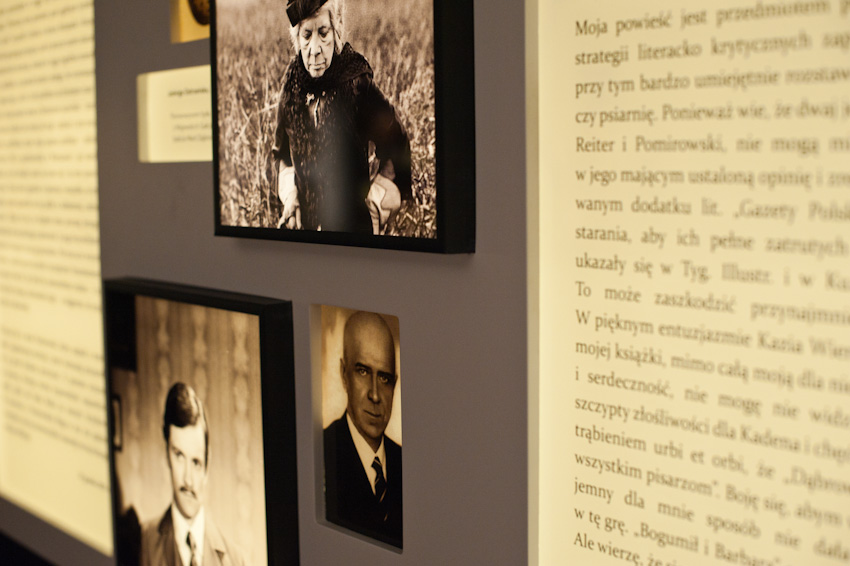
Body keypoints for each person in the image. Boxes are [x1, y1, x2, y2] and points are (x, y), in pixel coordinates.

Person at [273, 0, 412, 235]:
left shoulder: (355, 82)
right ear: (296, 37)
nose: (314, 49)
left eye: (323, 33)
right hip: (306, 235)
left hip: (353, 236)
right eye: (306, 35)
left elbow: (396, 141)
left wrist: (378, 200)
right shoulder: (292, 84)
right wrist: (291, 196)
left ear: (336, 28)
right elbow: (282, 153)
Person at [140, 383, 246, 566]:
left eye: (196, 462)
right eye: (179, 456)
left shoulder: (235, 560)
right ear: (167, 455)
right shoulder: (143, 542)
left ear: (207, 467)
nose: (188, 480)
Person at [324, 311, 402, 547]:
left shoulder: (405, 460)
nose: (375, 395)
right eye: (363, 371)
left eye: (384, 378)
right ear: (344, 375)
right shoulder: (322, 451)